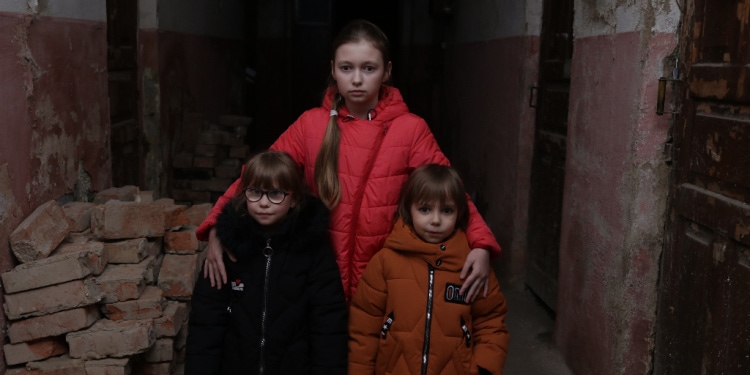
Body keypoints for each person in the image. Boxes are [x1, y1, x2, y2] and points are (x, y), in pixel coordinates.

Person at [196, 19, 501, 302]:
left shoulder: (410, 129)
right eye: (346, 68)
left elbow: (449, 189)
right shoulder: (310, 125)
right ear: (333, 69)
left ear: (386, 71)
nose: (356, 79)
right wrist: (216, 225)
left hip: (388, 278)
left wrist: (481, 244)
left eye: (368, 68)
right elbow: (256, 176)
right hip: (318, 274)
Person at [185, 150, 348, 375]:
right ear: (244, 194)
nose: (264, 203)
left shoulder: (313, 249)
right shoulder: (229, 247)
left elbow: (328, 324)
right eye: (255, 192)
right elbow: (206, 323)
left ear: (295, 199)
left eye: (276, 194)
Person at [348, 164, 509, 375]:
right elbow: (363, 330)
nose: (435, 220)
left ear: (459, 213)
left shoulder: (473, 265)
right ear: (409, 209)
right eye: (425, 209)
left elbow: (491, 322)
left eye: (446, 211)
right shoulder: (386, 262)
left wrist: (484, 369)